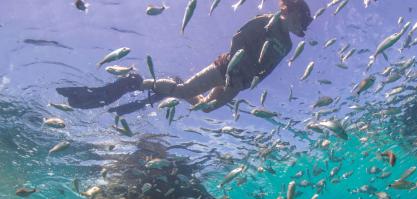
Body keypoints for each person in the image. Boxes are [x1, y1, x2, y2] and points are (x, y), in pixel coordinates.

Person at [56, 0, 313, 115]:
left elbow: (267, 69)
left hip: (239, 82)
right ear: (291, 11)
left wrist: (246, 84)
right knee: (185, 91)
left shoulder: (288, 46)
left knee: (206, 107)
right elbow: (237, 38)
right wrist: (232, 63)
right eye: (302, 20)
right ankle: (137, 83)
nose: (302, 27)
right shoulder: (265, 22)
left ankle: (167, 87)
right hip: (224, 69)